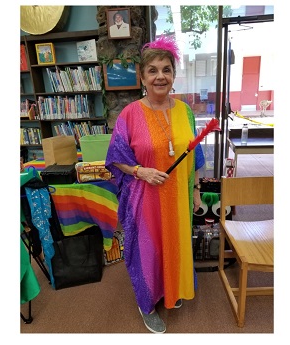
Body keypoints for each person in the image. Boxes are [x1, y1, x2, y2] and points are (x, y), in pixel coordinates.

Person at [105, 35, 205, 334]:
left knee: (174, 245)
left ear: (173, 75)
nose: (160, 76)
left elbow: (195, 152)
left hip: (179, 198)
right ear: (142, 76)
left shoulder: (185, 110)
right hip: (144, 198)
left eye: (166, 69)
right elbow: (115, 157)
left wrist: (197, 190)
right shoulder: (130, 114)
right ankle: (146, 303)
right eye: (153, 70)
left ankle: (171, 290)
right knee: (148, 251)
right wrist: (141, 171)